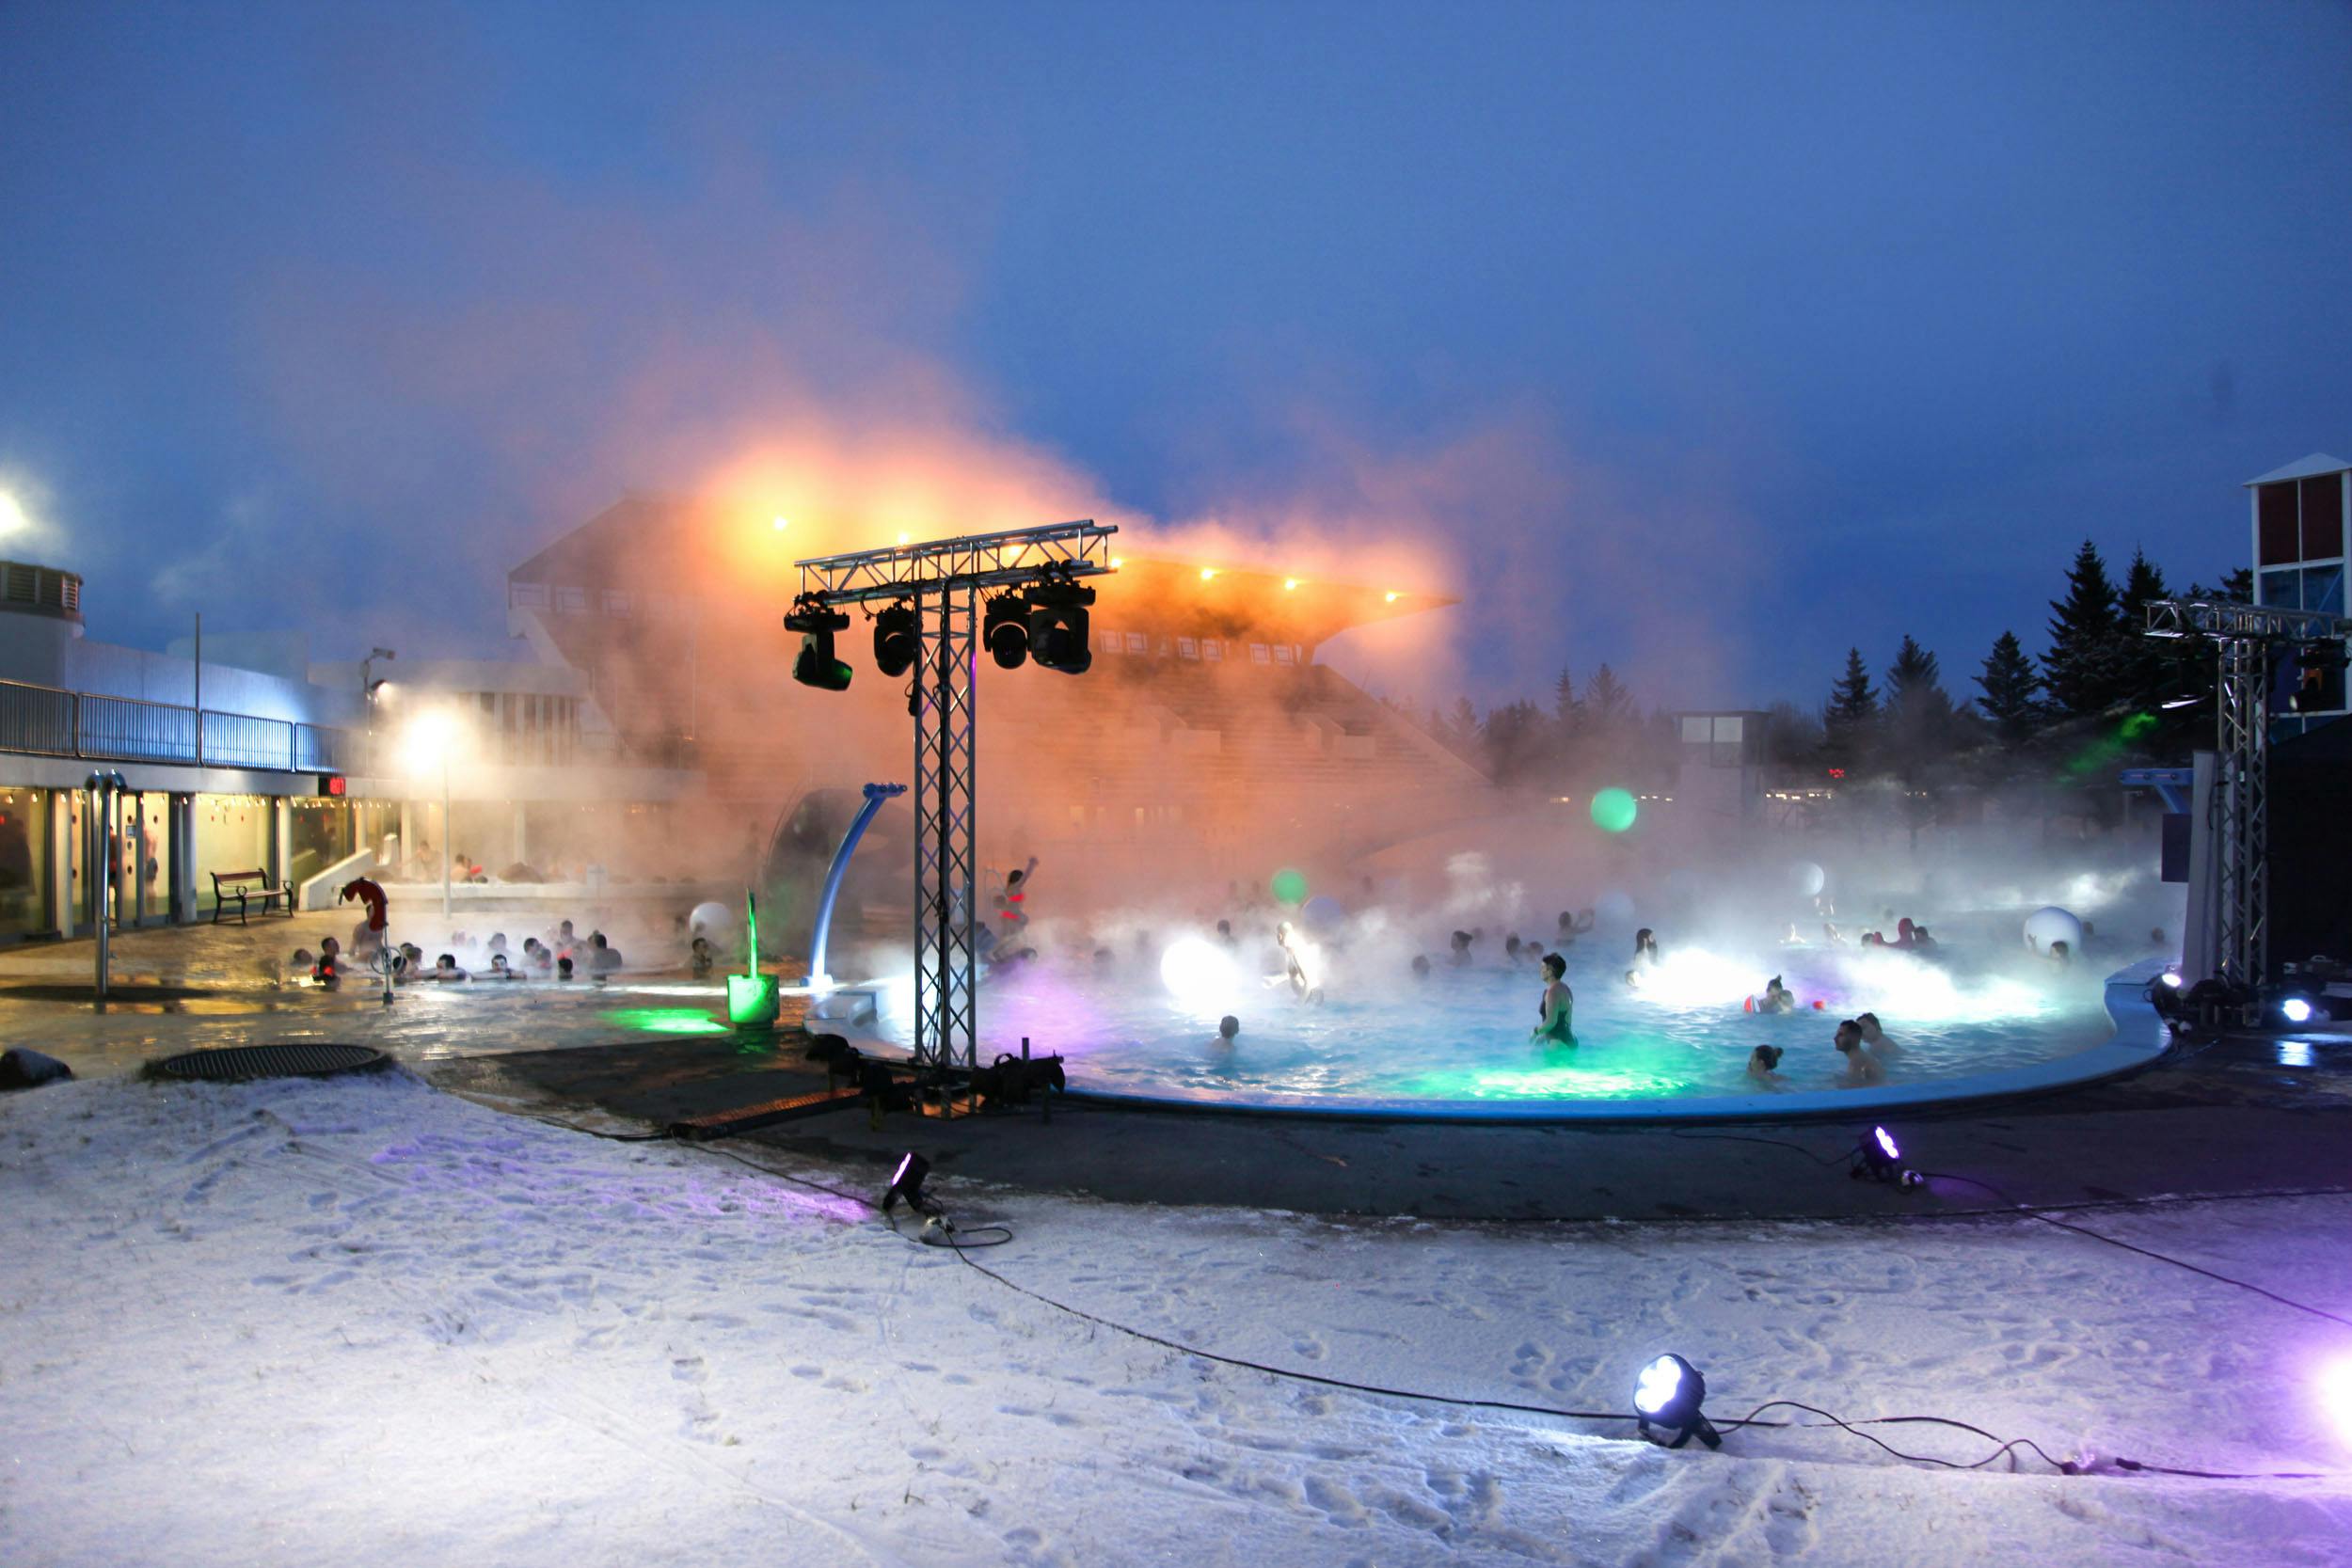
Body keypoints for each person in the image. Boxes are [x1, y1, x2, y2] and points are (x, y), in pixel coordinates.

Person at [1531, 952, 1575, 1045]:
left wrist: (1535, 1032)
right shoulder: (1565, 988)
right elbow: (1566, 1021)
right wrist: (1544, 1036)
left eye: (1543, 968)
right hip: (1568, 1040)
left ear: (1550, 972)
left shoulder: (1552, 992)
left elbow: (1551, 1022)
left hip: (1558, 1043)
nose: (1540, 970)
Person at [1833, 1020, 1884, 1086]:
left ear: (1854, 1038)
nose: (1835, 1038)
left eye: (1841, 1035)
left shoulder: (1856, 1064)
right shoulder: (1864, 1058)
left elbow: (1853, 1091)